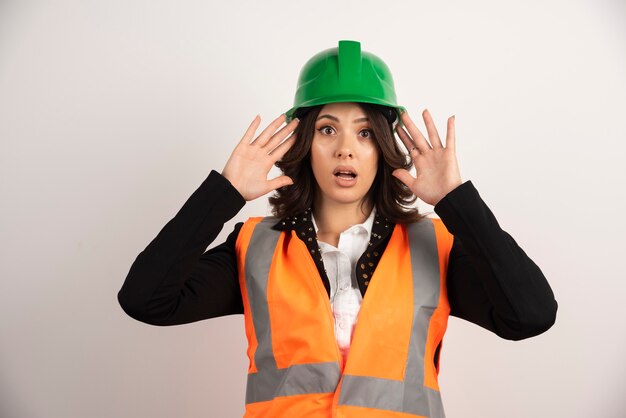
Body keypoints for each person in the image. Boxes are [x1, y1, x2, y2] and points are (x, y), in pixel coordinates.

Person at [117, 40, 558, 418]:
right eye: (328, 129)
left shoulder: (435, 247)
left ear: (384, 148)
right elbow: (145, 300)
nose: (346, 149)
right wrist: (225, 193)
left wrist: (456, 201)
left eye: (365, 133)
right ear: (304, 143)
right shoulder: (256, 247)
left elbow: (530, 315)